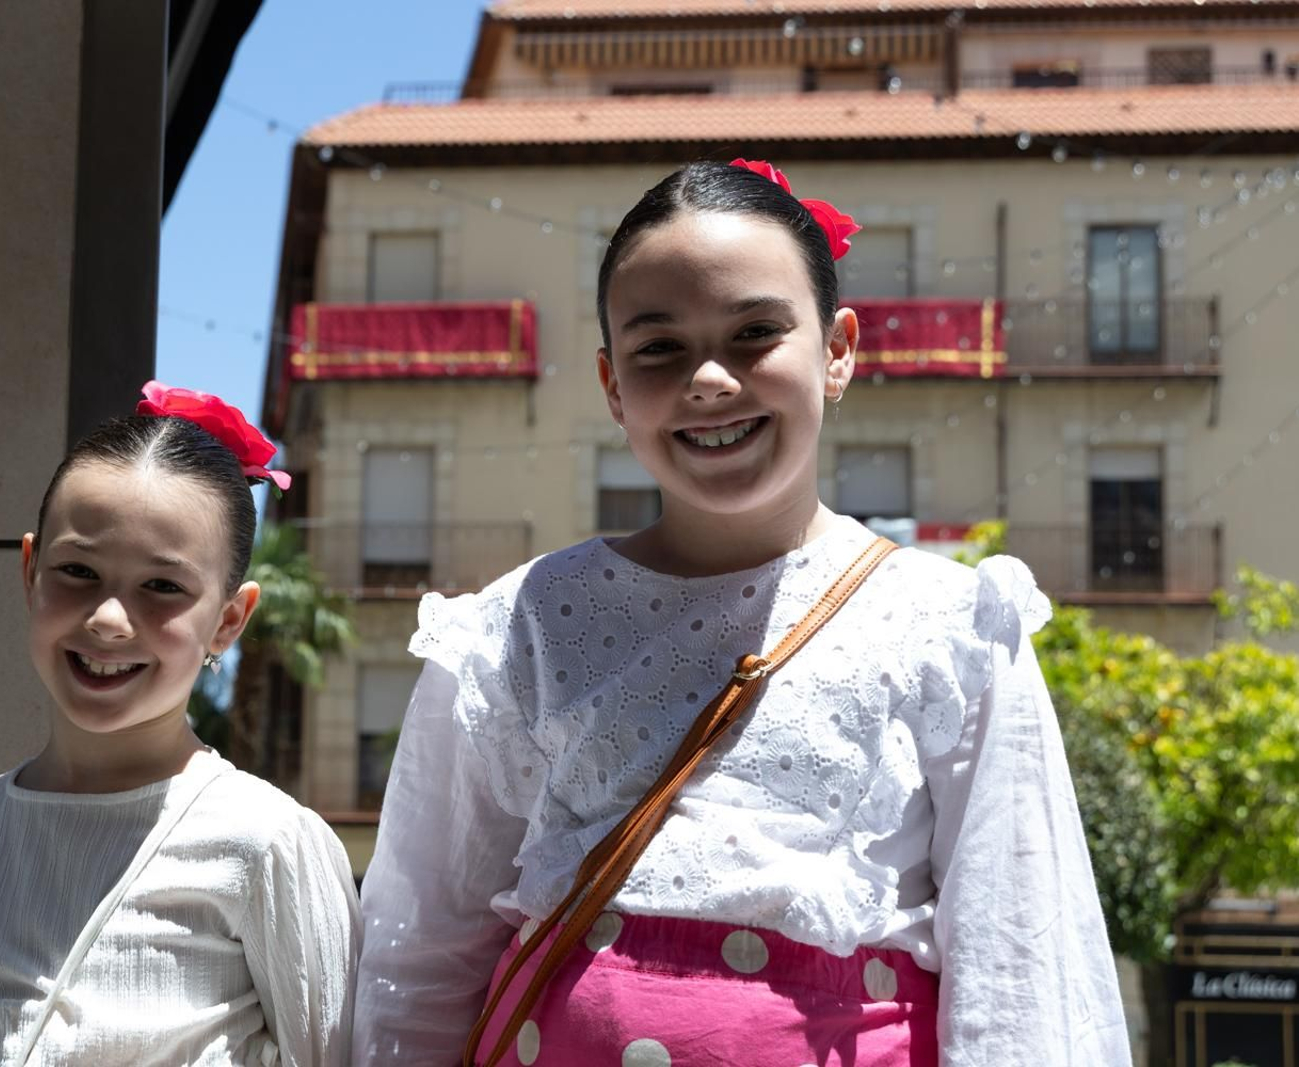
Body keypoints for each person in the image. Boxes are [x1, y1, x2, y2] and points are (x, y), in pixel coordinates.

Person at [352, 161, 1128, 1065]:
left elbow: (1020, 952)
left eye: (755, 332)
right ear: (611, 383)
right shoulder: (515, 625)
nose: (710, 379)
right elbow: (421, 952)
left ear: (837, 349)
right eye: (659, 348)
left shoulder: (950, 623)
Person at [0, 382, 360, 1067]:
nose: (108, 619)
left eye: (162, 586)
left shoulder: (268, 843)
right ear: (30, 571)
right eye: (77, 570)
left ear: (229, 619)